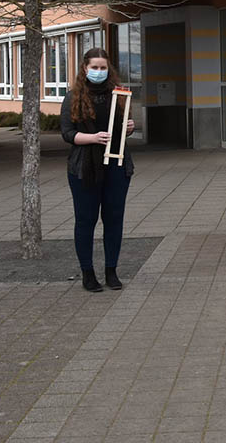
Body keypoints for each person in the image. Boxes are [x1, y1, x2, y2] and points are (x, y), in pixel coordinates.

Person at [59, 47, 135, 292]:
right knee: (86, 220)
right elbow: (67, 134)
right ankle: (88, 274)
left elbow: (124, 128)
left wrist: (130, 127)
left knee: (114, 220)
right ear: (85, 68)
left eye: (103, 68)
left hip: (116, 164)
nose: (99, 72)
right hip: (84, 167)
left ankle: (112, 271)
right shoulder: (73, 97)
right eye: (95, 68)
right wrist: (92, 138)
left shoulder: (119, 95)